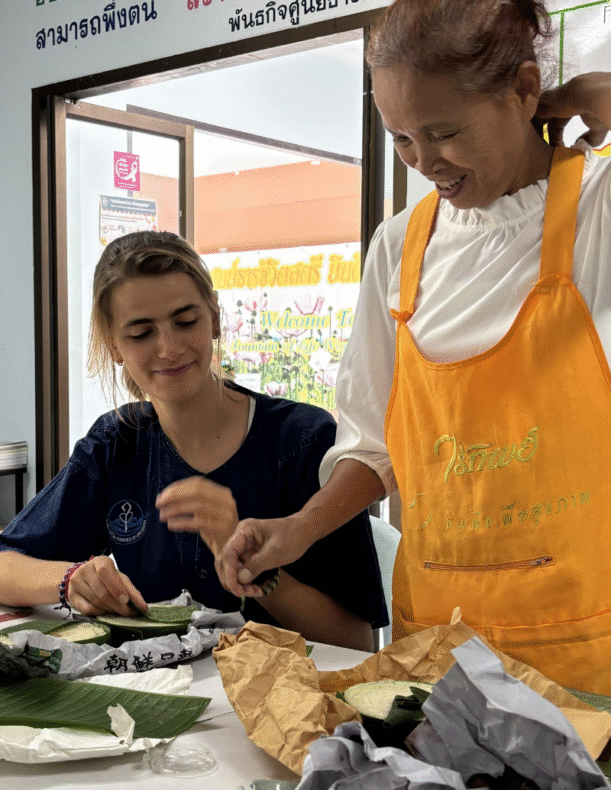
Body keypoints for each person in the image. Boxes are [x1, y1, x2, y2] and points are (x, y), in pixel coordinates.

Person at [217, 0, 611, 694]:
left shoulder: (597, 209)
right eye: (400, 138)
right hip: (437, 649)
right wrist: (300, 527)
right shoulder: (400, 247)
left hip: (582, 652)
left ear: (525, 90)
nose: (425, 163)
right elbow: (372, 444)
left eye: (443, 133)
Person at [0, 231, 387, 651]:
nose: (168, 349)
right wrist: (71, 580)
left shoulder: (303, 441)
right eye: (141, 333)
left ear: (215, 319)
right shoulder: (114, 445)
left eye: (186, 322)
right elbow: (7, 564)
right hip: (155, 687)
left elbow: (355, 642)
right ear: (114, 346)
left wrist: (253, 566)